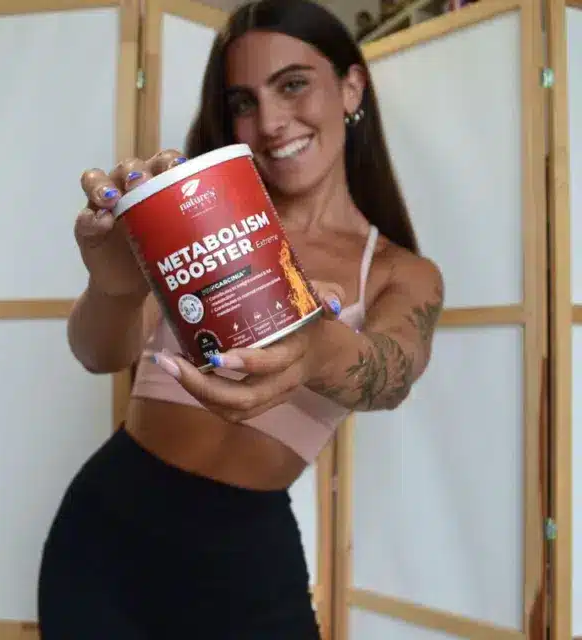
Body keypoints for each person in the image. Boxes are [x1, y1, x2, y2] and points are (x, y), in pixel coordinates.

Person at [37, 0, 444, 637]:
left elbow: (391, 376)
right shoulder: (201, 219)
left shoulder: (401, 273)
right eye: (243, 102)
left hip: (247, 554)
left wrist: (315, 349)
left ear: (350, 87)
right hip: (106, 533)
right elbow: (100, 356)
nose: (271, 122)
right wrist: (113, 288)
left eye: (293, 84)